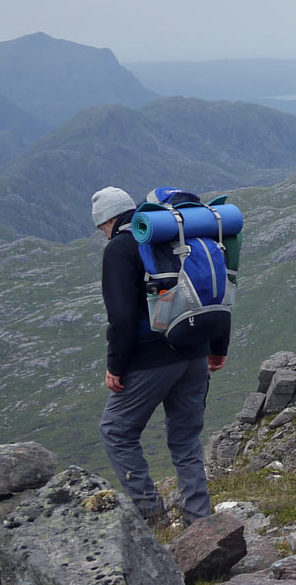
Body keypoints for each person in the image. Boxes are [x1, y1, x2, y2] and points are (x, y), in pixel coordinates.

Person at [92, 185, 228, 524]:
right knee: (186, 440)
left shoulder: (121, 247)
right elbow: (220, 290)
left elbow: (122, 317)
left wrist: (115, 366)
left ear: (106, 222)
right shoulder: (178, 238)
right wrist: (217, 348)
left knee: (116, 431)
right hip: (196, 354)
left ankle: (152, 517)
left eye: (101, 228)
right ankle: (199, 521)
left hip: (151, 360)